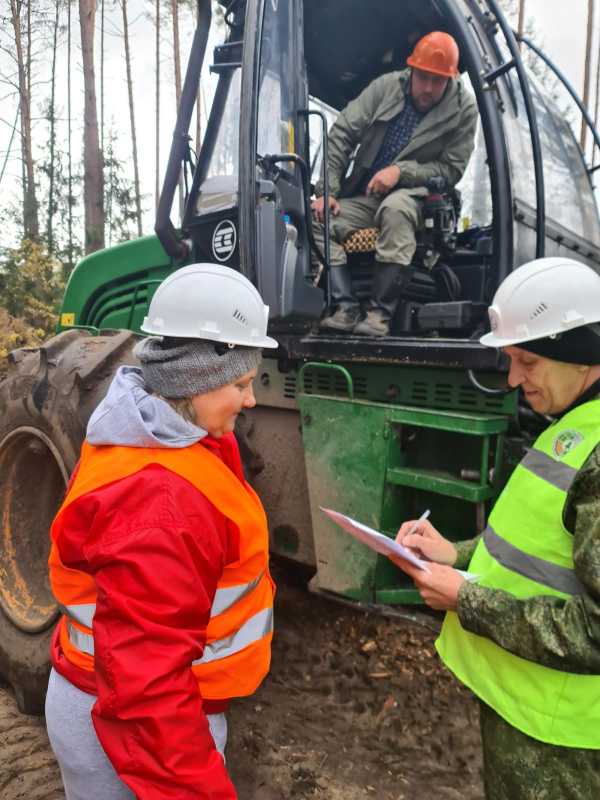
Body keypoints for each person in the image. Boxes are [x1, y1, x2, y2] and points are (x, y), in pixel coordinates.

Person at [45, 263, 279, 799]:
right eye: (241, 383)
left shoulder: (152, 426)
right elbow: (145, 689)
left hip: (108, 697)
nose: (251, 400)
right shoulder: (161, 502)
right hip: (130, 727)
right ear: (193, 379)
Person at [390, 256, 600, 800]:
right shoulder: (575, 423)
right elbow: (541, 543)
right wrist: (455, 553)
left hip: (563, 741)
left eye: (527, 361)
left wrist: (468, 599)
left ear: (582, 353)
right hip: (528, 711)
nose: (512, 379)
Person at [312, 31, 478, 337]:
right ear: (411, 69)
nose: (428, 88)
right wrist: (328, 191)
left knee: (396, 208)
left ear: (450, 79)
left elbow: (451, 169)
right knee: (316, 219)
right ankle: (346, 306)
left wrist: (400, 172)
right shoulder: (386, 87)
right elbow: (342, 133)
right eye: (424, 77)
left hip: (416, 196)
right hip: (367, 194)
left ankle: (379, 315)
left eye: (437, 81)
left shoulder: (464, 110)